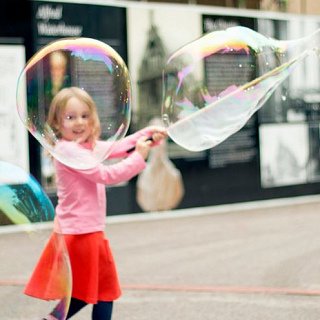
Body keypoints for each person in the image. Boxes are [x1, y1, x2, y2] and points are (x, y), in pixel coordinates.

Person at [24, 87, 167, 320]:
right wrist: (139, 157)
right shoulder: (68, 150)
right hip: (81, 234)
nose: (79, 122)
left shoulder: (82, 146)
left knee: (103, 291)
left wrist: (148, 134)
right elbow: (107, 175)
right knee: (87, 292)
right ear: (57, 124)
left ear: (92, 118)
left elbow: (115, 147)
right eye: (70, 117)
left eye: (84, 115)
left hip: (87, 231)